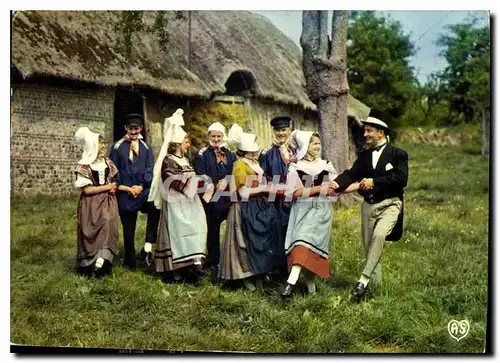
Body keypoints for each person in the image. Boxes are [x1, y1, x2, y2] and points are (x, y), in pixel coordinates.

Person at [334, 115, 409, 297]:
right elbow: (351, 174)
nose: (365, 134)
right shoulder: (364, 156)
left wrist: (374, 181)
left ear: (380, 132)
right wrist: (335, 184)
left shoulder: (398, 154)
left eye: (369, 131)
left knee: (379, 235)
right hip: (368, 206)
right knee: (369, 248)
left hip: (391, 205)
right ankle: (374, 290)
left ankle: (363, 279)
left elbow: (401, 179)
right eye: (365, 130)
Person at [280, 131, 360, 298]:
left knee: (309, 249)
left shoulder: (326, 165)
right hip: (302, 210)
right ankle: (302, 287)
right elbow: (294, 192)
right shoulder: (296, 167)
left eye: (318, 143)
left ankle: (292, 285)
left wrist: (359, 185)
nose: (317, 146)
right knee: (302, 245)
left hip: (321, 212)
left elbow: (338, 187)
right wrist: (320, 189)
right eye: (313, 144)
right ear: (304, 147)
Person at [218, 124, 280, 291]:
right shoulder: (240, 165)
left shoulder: (254, 163)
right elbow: (243, 192)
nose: (258, 150)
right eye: (255, 147)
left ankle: (259, 272)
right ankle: (244, 276)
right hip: (244, 208)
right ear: (248, 150)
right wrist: (265, 188)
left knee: (261, 238)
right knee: (243, 242)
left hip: (258, 205)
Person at [149, 109, 208, 282]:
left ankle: (192, 265)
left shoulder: (185, 160)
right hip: (177, 203)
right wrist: (194, 184)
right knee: (178, 233)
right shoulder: (169, 161)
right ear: (176, 144)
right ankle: (176, 268)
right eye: (185, 141)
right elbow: (174, 182)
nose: (188, 144)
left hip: (191, 202)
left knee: (195, 229)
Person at [110, 113, 161, 270]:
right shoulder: (117, 147)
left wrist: (141, 185)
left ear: (141, 129)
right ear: (126, 128)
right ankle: (130, 259)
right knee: (128, 224)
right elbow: (113, 171)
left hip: (141, 190)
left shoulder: (145, 148)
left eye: (136, 129)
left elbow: (149, 168)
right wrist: (124, 188)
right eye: (131, 129)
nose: (133, 132)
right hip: (125, 191)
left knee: (155, 206)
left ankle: (147, 248)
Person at [74, 127, 124, 278]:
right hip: (91, 203)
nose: (103, 146)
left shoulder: (107, 162)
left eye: (103, 143)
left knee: (108, 224)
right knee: (90, 230)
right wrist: (107, 187)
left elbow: (115, 179)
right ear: (93, 145)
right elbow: (87, 190)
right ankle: (91, 262)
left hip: (108, 202)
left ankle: (102, 261)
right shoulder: (84, 165)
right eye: (101, 143)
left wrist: (115, 186)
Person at [194, 122, 237, 274]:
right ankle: (213, 260)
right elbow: (199, 173)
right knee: (212, 228)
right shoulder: (202, 154)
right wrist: (211, 182)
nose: (216, 139)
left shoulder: (230, 153)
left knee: (232, 227)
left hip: (227, 195)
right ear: (208, 136)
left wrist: (227, 180)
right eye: (213, 136)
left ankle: (231, 259)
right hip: (211, 196)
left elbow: (235, 170)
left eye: (219, 136)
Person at [259, 116, 297, 279]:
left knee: (295, 229)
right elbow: (263, 177)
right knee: (277, 231)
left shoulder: (297, 150)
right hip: (276, 199)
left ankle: (294, 266)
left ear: (289, 130)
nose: (281, 133)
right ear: (273, 131)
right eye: (278, 130)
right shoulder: (267, 153)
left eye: (284, 130)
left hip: (296, 196)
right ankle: (278, 269)